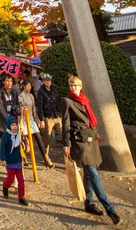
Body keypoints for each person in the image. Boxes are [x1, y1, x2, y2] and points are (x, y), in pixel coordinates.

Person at [62, 76, 121, 226]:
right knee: (93, 174)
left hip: (91, 140)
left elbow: (90, 119)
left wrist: (95, 133)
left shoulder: (84, 100)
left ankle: (89, 202)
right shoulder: (67, 101)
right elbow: (66, 124)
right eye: (71, 85)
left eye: (76, 85)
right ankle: (110, 209)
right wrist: (66, 144)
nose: (74, 87)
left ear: (81, 86)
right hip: (79, 142)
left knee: (89, 174)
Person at [18, 80, 54, 168]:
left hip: (31, 120)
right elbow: (21, 110)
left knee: (38, 138)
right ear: (24, 86)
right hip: (24, 120)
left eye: (30, 86)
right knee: (25, 141)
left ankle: (46, 158)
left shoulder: (31, 96)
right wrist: (21, 124)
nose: (29, 88)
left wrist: (37, 120)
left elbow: (34, 110)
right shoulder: (20, 96)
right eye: (28, 86)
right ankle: (23, 158)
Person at [0, 115, 29, 206]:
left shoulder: (18, 135)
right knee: (11, 179)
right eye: (12, 125)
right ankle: (5, 186)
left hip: (17, 161)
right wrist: (3, 159)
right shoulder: (6, 136)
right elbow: (3, 148)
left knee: (21, 180)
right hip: (9, 161)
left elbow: (21, 147)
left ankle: (21, 197)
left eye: (15, 125)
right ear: (9, 126)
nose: (14, 127)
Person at [37, 73, 62, 154]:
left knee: (62, 134)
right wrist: (42, 119)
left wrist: (60, 114)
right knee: (47, 138)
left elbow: (58, 102)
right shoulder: (41, 91)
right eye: (46, 80)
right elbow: (40, 106)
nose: (48, 82)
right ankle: (45, 154)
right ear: (43, 81)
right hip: (48, 117)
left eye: (49, 80)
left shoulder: (54, 89)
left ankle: (68, 154)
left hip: (56, 115)